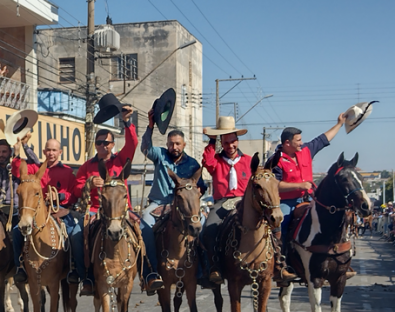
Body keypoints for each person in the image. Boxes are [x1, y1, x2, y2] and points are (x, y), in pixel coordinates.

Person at [200, 116, 295, 286]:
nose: (230, 146)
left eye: (233, 142)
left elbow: (261, 178)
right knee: (209, 229)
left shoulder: (249, 161)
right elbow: (207, 161)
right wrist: (212, 141)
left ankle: (279, 265)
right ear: (222, 143)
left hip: (246, 201)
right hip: (222, 202)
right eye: (226, 143)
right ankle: (214, 267)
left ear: (237, 141)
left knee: (274, 226)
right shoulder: (216, 161)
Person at [271, 112, 355, 279]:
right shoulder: (276, 160)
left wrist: (339, 124)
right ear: (287, 143)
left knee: (336, 217)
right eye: (298, 140)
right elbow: (274, 184)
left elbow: (324, 139)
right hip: (287, 201)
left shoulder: (306, 150)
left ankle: (341, 261)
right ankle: (281, 265)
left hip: (310, 198)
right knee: (280, 226)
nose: (302, 143)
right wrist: (299, 185)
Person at [139, 109, 206, 295]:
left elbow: (200, 186)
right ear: (167, 144)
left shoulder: (192, 164)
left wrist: (197, 195)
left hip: (184, 206)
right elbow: (145, 148)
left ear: (184, 144)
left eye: (177, 144)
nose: (174, 147)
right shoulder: (159, 155)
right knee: (143, 226)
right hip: (159, 203)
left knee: (203, 223)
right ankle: (150, 273)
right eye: (171, 143)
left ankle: (204, 269)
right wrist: (150, 126)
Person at [73, 105, 137, 296]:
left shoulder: (121, 160)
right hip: (94, 210)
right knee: (77, 235)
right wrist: (89, 184)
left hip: (121, 211)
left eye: (107, 143)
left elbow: (133, 143)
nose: (103, 146)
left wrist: (127, 121)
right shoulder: (87, 166)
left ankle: (148, 272)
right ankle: (87, 277)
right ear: (95, 145)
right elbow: (76, 189)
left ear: (112, 144)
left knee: (145, 231)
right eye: (99, 143)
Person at [10, 138, 87, 292]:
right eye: (48, 150)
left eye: (54, 150)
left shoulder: (67, 171)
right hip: (38, 212)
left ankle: (73, 268)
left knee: (73, 234)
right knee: (16, 232)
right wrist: (16, 153)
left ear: (60, 152)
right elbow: (18, 172)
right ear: (44, 152)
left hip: (61, 210)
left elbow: (73, 194)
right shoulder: (36, 168)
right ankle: (20, 268)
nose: (51, 153)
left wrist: (60, 196)